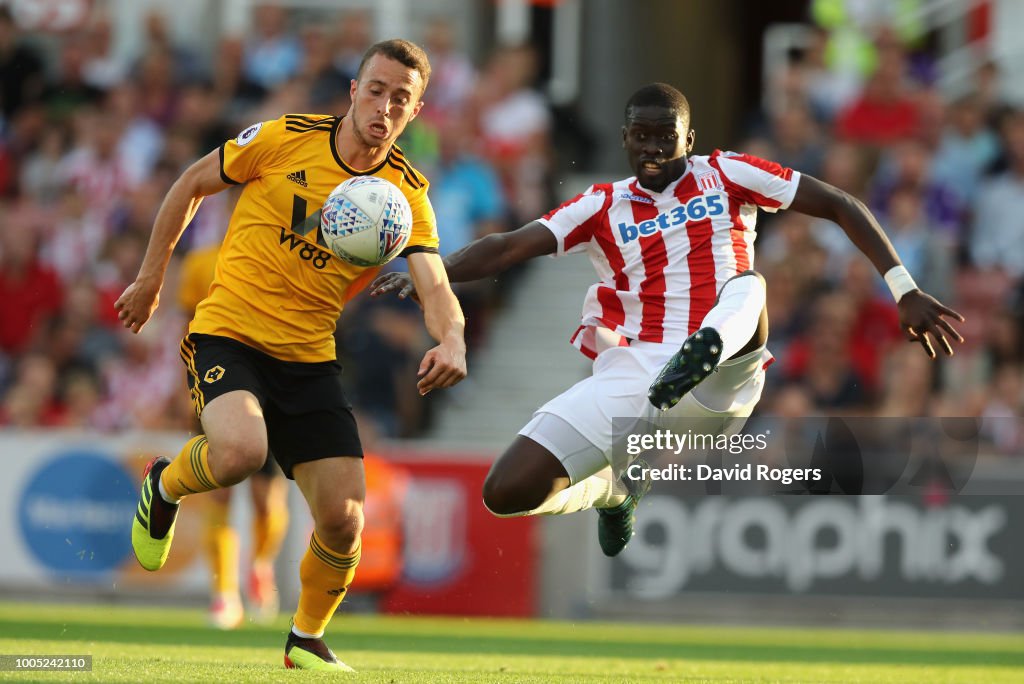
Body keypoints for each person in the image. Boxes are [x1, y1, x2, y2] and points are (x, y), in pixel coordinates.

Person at [371, 82, 963, 557]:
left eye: (666, 137)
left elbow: (839, 203)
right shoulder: (601, 203)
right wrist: (434, 274)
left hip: (724, 372)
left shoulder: (728, 173)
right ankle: (613, 490)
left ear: (690, 138)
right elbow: (506, 247)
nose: (652, 149)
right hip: (635, 372)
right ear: (626, 138)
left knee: (748, 285)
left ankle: (702, 347)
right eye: (641, 137)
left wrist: (903, 287)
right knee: (506, 492)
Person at [117, 39, 467, 672]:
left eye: (402, 99)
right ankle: (164, 487)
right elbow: (192, 181)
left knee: (345, 519)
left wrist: (453, 338)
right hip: (229, 331)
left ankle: (305, 639)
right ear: (354, 92)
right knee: (240, 455)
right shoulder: (285, 138)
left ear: (414, 114)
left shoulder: (405, 193)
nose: (385, 106)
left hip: (307, 357)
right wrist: (151, 277)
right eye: (377, 89)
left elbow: (434, 282)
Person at [177, 241, 289, 630]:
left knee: (266, 502)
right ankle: (224, 594)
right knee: (219, 489)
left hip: (272, 384)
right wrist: (187, 383)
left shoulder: (281, 252)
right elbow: (188, 324)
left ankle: (260, 564)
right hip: (216, 381)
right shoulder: (201, 262)